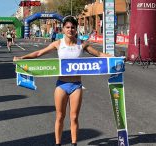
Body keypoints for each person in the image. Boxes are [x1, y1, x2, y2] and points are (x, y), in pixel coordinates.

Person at [13, 16, 111, 146]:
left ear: (76, 29)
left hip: (76, 86)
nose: (70, 30)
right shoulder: (58, 43)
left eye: (73, 28)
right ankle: (58, 143)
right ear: (63, 29)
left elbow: (99, 54)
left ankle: (74, 143)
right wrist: (22, 57)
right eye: (68, 27)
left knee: (74, 117)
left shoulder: (82, 44)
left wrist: (115, 58)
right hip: (61, 85)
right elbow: (38, 54)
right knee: (60, 116)